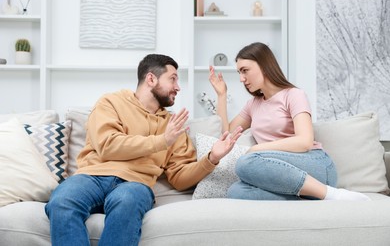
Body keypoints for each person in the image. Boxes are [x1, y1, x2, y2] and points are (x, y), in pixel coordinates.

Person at [45, 54, 243, 246]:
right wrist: (161, 141)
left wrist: (211, 159)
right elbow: (108, 146)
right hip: (92, 176)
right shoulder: (111, 102)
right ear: (151, 78)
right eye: (172, 79)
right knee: (62, 200)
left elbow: (179, 178)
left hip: (134, 184)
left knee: (127, 202)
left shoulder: (172, 126)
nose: (178, 87)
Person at [209, 42, 371, 201]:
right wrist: (221, 95)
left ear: (264, 66)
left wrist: (258, 149)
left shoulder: (293, 95)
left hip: (314, 165)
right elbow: (226, 135)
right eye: (239, 72)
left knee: (245, 163)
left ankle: (332, 194)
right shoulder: (253, 105)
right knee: (236, 191)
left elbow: (305, 142)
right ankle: (305, 197)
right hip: (280, 172)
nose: (241, 79)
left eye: (245, 71)